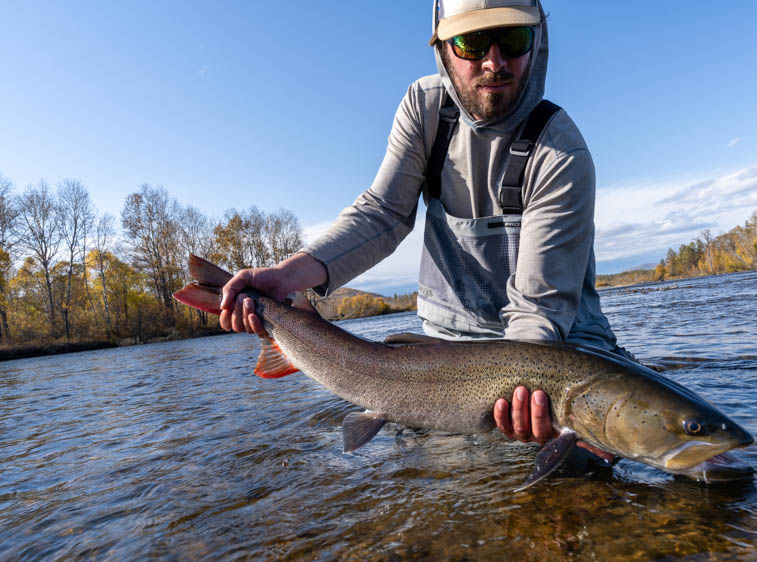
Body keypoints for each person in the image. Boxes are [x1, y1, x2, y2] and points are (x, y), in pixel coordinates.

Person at [219, 0, 626, 462]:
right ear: (442, 47)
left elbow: (539, 312)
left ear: (538, 41)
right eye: (473, 43)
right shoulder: (425, 109)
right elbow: (383, 214)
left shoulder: (562, 154)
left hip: (559, 348)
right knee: (447, 485)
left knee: (585, 471)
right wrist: (288, 276)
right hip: (441, 355)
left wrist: (523, 390)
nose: (494, 62)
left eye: (512, 40)